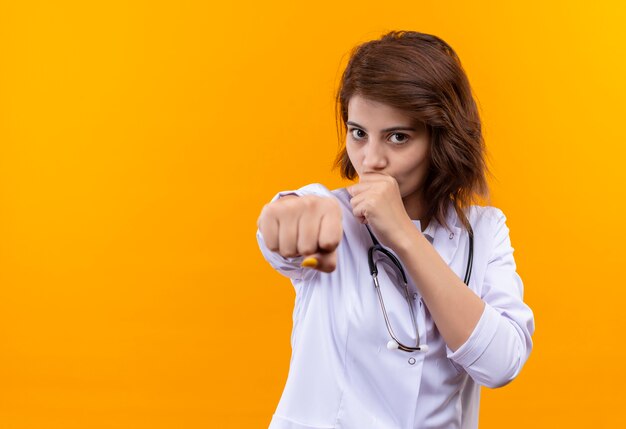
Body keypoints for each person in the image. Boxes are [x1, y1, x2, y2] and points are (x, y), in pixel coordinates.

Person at [255, 30, 535, 429]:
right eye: (358, 133)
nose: (370, 160)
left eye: (398, 137)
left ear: (442, 138)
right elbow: (282, 228)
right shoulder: (333, 213)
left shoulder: (485, 232)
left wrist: (405, 237)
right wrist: (281, 219)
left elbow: (501, 364)